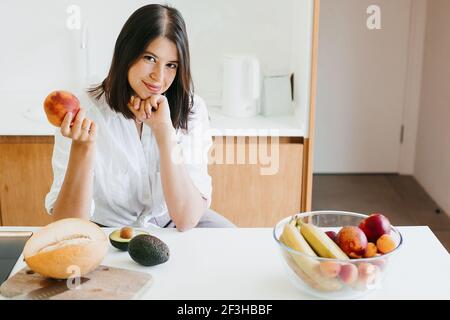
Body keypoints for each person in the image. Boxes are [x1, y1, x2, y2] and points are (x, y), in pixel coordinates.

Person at [45, 4, 235, 231]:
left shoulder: (191, 109)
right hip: (108, 230)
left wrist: (164, 131)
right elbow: (68, 226)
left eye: (171, 65)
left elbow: (186, 218)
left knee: (236, 244)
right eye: (150, 58)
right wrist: (82, 148)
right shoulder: (84, 111)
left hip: (173, 224)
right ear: (127, 52)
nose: (159, 77)